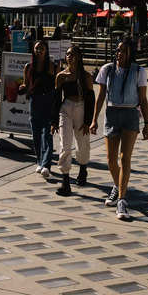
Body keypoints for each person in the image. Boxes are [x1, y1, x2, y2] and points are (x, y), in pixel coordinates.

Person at [90, 38, 148, 220]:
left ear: (130, 53)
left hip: (130, 115)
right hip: (111, 114)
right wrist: (94, 120)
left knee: (125, 158)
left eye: (123, 51)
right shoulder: (107, 70)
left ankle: (122, 201)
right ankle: (118, 186)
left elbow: (143, 99)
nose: (119, 53)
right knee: (110, 160)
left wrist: (147, 123)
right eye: (117, 50)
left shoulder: (139, 71)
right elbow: (100, 97)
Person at [52, 46, 95, 196]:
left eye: (73, 54)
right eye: (68, 54)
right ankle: (65, 181)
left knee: (82, 142)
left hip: (81, 107)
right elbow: (56, 99)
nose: (70, 57)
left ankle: (83, 169)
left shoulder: (86, 76)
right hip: (66, 108)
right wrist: (54, 121)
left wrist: (88, 121)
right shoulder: (61, 76)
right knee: (65, 144)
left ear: (79, 57)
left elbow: (91, 99)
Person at [19, 40, 56, 179]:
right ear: (33, 50)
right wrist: (22, 88)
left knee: (47, 133)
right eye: (37, 48)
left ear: (46, 50)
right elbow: (26, 84)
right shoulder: (28, 67)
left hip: (48, 100)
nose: (39, 50)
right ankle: (39, 161)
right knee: (36, 133)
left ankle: (46, 165)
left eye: (42, 48)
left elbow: (57, 86)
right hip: (34, 101)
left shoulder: (51, 66)